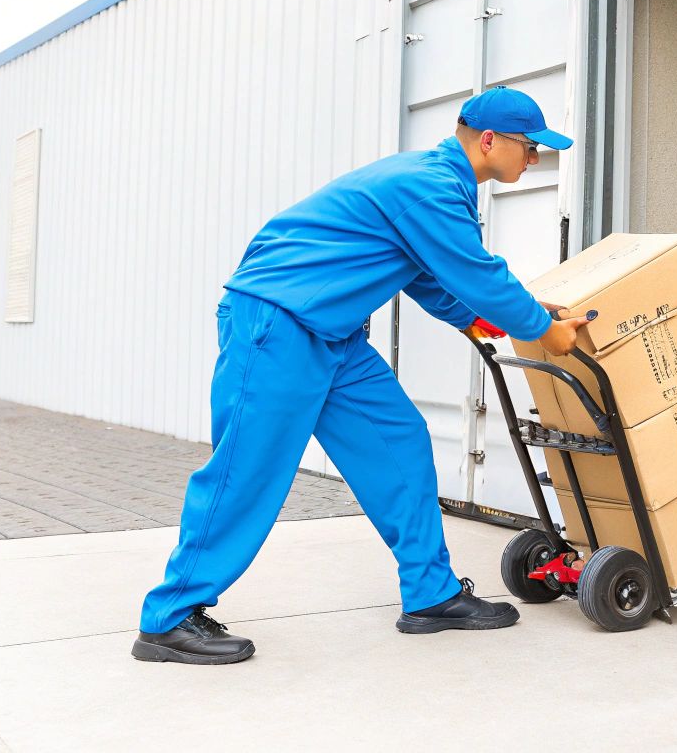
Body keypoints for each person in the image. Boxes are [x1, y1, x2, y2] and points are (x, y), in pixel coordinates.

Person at [133, 86, 584, 664]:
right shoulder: (430, 186)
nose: (535, 158)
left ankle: (431, 594)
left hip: (334, 335)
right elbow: (476, 274)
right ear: (490, 140)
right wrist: (540, 329)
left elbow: (432, 278)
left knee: (399, 441)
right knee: (245, 469)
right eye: (530, 147)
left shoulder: (438, 186)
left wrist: (491, 320)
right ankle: (168, 618)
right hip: (279, 325)